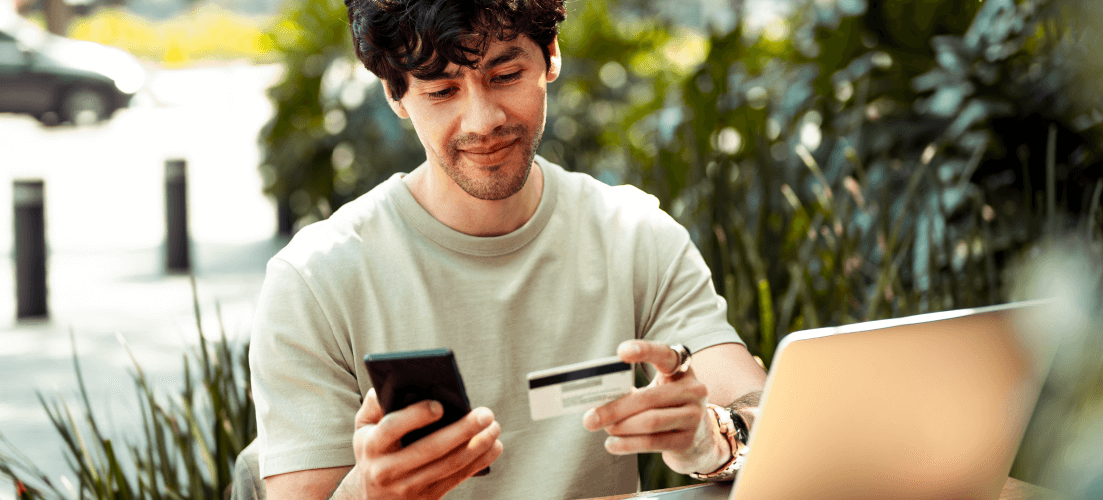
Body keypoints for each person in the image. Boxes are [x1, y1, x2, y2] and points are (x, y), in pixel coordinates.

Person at [245, 0, 768, 498]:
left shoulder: (633, 236)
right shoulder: (315, 279)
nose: (482, 121)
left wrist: (709, 436)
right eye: (441, 90)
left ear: (551, 56)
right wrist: (369, 494)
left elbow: (766, 417)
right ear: (394, 93)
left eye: (506, 75)